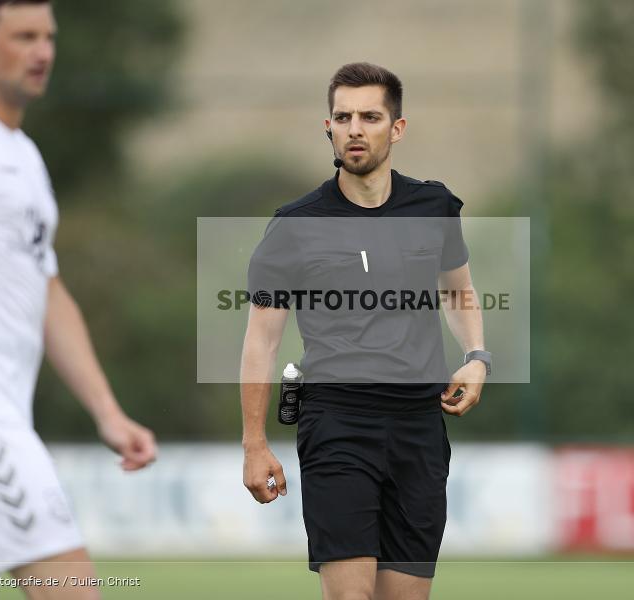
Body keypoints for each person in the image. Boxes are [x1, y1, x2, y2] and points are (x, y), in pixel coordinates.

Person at [0, 1, 156, 598]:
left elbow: (47, 292)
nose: (43, 51)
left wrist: (107, 411)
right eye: (24, 36)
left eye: (48, 36)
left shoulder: (25, 156)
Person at [241, 62, 491, 600]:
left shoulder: (434, 206)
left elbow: (458, 290)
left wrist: (476, 355)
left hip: (419, 426)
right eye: (342, 116)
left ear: (396, 128)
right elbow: (260, 340)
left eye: (370, 116)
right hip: (336, 423)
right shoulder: (294, 225)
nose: (354, 128)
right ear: (327, 128)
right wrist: (254, 442)